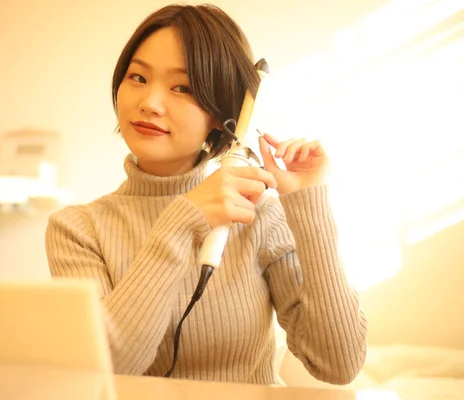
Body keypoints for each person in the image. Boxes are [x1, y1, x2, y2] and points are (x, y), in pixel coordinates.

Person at [45, 3, 367, 386]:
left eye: (182, 87)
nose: (149, 102)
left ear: (221, 113)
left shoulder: (258, 217)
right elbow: (104, 370)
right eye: (137, 77)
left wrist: (308, 204)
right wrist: (181, 224)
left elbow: (340, 364)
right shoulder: (76, 230)